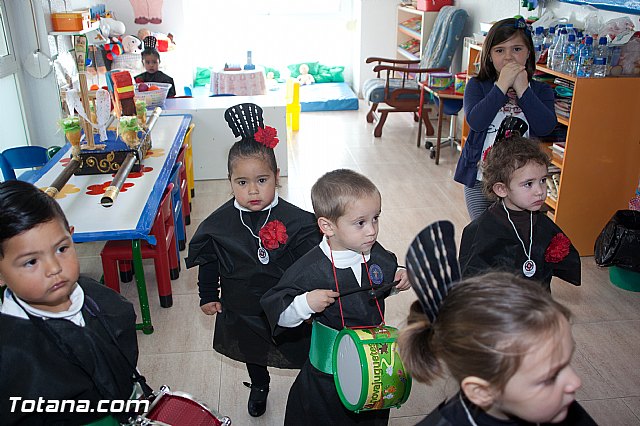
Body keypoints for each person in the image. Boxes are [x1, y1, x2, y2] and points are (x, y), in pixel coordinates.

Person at [184, 103, 321, 418]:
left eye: (262, 180)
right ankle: (259, 384)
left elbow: (315, 261)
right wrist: (208, 296)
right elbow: (209, 262)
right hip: (243, 303)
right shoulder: (219, 225)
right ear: (229, 181)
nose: (253, 191)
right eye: (242, 183)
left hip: (285, 302)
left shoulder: (296, 221)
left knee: (299, 344)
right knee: (252, 348)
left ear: (277, 177)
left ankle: (310, 385)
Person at [261, 168, 411, 425]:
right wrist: (305, 303)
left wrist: (397, 279)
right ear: (327, 226)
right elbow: (279, 311)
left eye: (376, 218)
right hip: (328, 371)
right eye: (360, 222)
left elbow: (381, 282)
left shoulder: (373, 251)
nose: (372, 230)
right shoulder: (310, 269)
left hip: (374, 366)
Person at [0, 180, 142, 425]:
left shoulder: (104, 301)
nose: (55, 268)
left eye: (62, 249)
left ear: (72, 236)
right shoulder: (10, 353)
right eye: (31, 262)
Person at [398, 271, 598, 425]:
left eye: (567, 363)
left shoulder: (558, 407)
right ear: (481, 391)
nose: (575, 382)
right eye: (550, 378)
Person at [454, 17, 558, 220]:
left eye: (517, 49)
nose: (508, 57)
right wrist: (501, 87)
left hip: (522, 182)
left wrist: (523, 89)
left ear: (528, 53)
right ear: (490, 56)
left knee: (515, 232)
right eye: (500, 50)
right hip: (480, 179)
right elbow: (476, 121)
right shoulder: (478, 86)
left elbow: (546, 126)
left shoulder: (541, 90)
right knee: (483, 232)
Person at [459, 136, 580, 291]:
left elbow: (565, 260)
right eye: (528, 184)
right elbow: (470, 282)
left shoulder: (542, 224)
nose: (540, 191)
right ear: (501, 189)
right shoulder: (481, 230)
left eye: (543, 180)